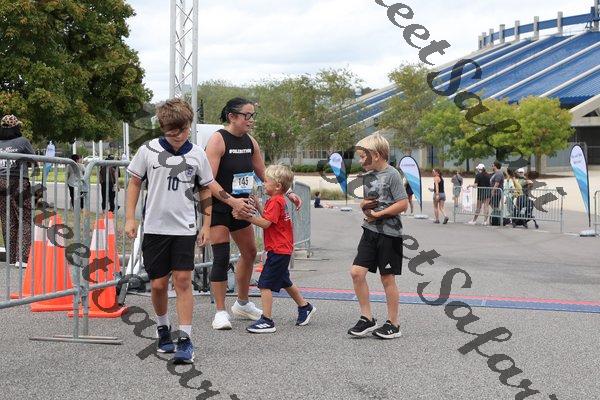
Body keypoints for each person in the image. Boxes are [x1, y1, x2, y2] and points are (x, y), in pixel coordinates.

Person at [125, 98, 214, 364]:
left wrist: (206, 224)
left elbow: (205, 189)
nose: (178, 135)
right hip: (155, 227)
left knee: (183, 281)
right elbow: (134, 183)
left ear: (189, 126)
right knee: (158, 284)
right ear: (162, 127)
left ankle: (185, 339)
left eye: (183, 130)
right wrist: (130, 218)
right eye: (172, 131)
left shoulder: (197, 153)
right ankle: (163, 327)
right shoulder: (148, 150)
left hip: (184, 227)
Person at [204, 97, 302, 330]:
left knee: (249, 253)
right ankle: (220, 311)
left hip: (244, 206)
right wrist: (232, 202)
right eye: (247, 115)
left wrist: (288, 192)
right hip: (221, 206)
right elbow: (208, 180)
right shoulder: (218, 140)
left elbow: (265, 174)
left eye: (252, 115)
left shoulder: (250, 142)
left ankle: (242, 303)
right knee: (221, 257)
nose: (251, 120)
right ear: (232, 116)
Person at [236, 164, 315, 333]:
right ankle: (305, 306)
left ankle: (267, 320)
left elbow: (265, 223)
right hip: (282, 249)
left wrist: (246, 216)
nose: (263, 184)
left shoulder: (275, 201)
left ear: (277, 186)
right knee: (285, 281)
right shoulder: (278, 200)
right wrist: (258, 206)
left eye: (266, 181)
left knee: (264, 284)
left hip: (278, 250)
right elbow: (269, 218)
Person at [349, 134, 407, 339]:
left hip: (390, 234)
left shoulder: (392, 175)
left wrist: (380, 215)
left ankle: (393, 324)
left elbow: (403, 204)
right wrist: (364, 206)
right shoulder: (368, 176)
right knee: (356, 273)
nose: (360, 160)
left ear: (375, 155)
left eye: (362, 156)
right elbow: (369, 204)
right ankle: (367, 318)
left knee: (387, 278)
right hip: (370, 231)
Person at [0, 115, 34, 267]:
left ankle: (11, 258)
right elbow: (33, 160)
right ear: (16, 127)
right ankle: (23, 258)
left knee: (7, 220)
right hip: (19, 181)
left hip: (1, 182)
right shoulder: (23, 141)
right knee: (25, 218)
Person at [488, 161, 504, 226]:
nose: (492, 167)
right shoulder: (495, 173)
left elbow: (497, 184)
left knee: (495, 206)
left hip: (497, 193)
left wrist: (492, 191)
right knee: (492, 204)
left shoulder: (499, 173)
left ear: (495, 166)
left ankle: (498, 217)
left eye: (492, 166)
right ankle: (497, 216)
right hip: (495, 192)